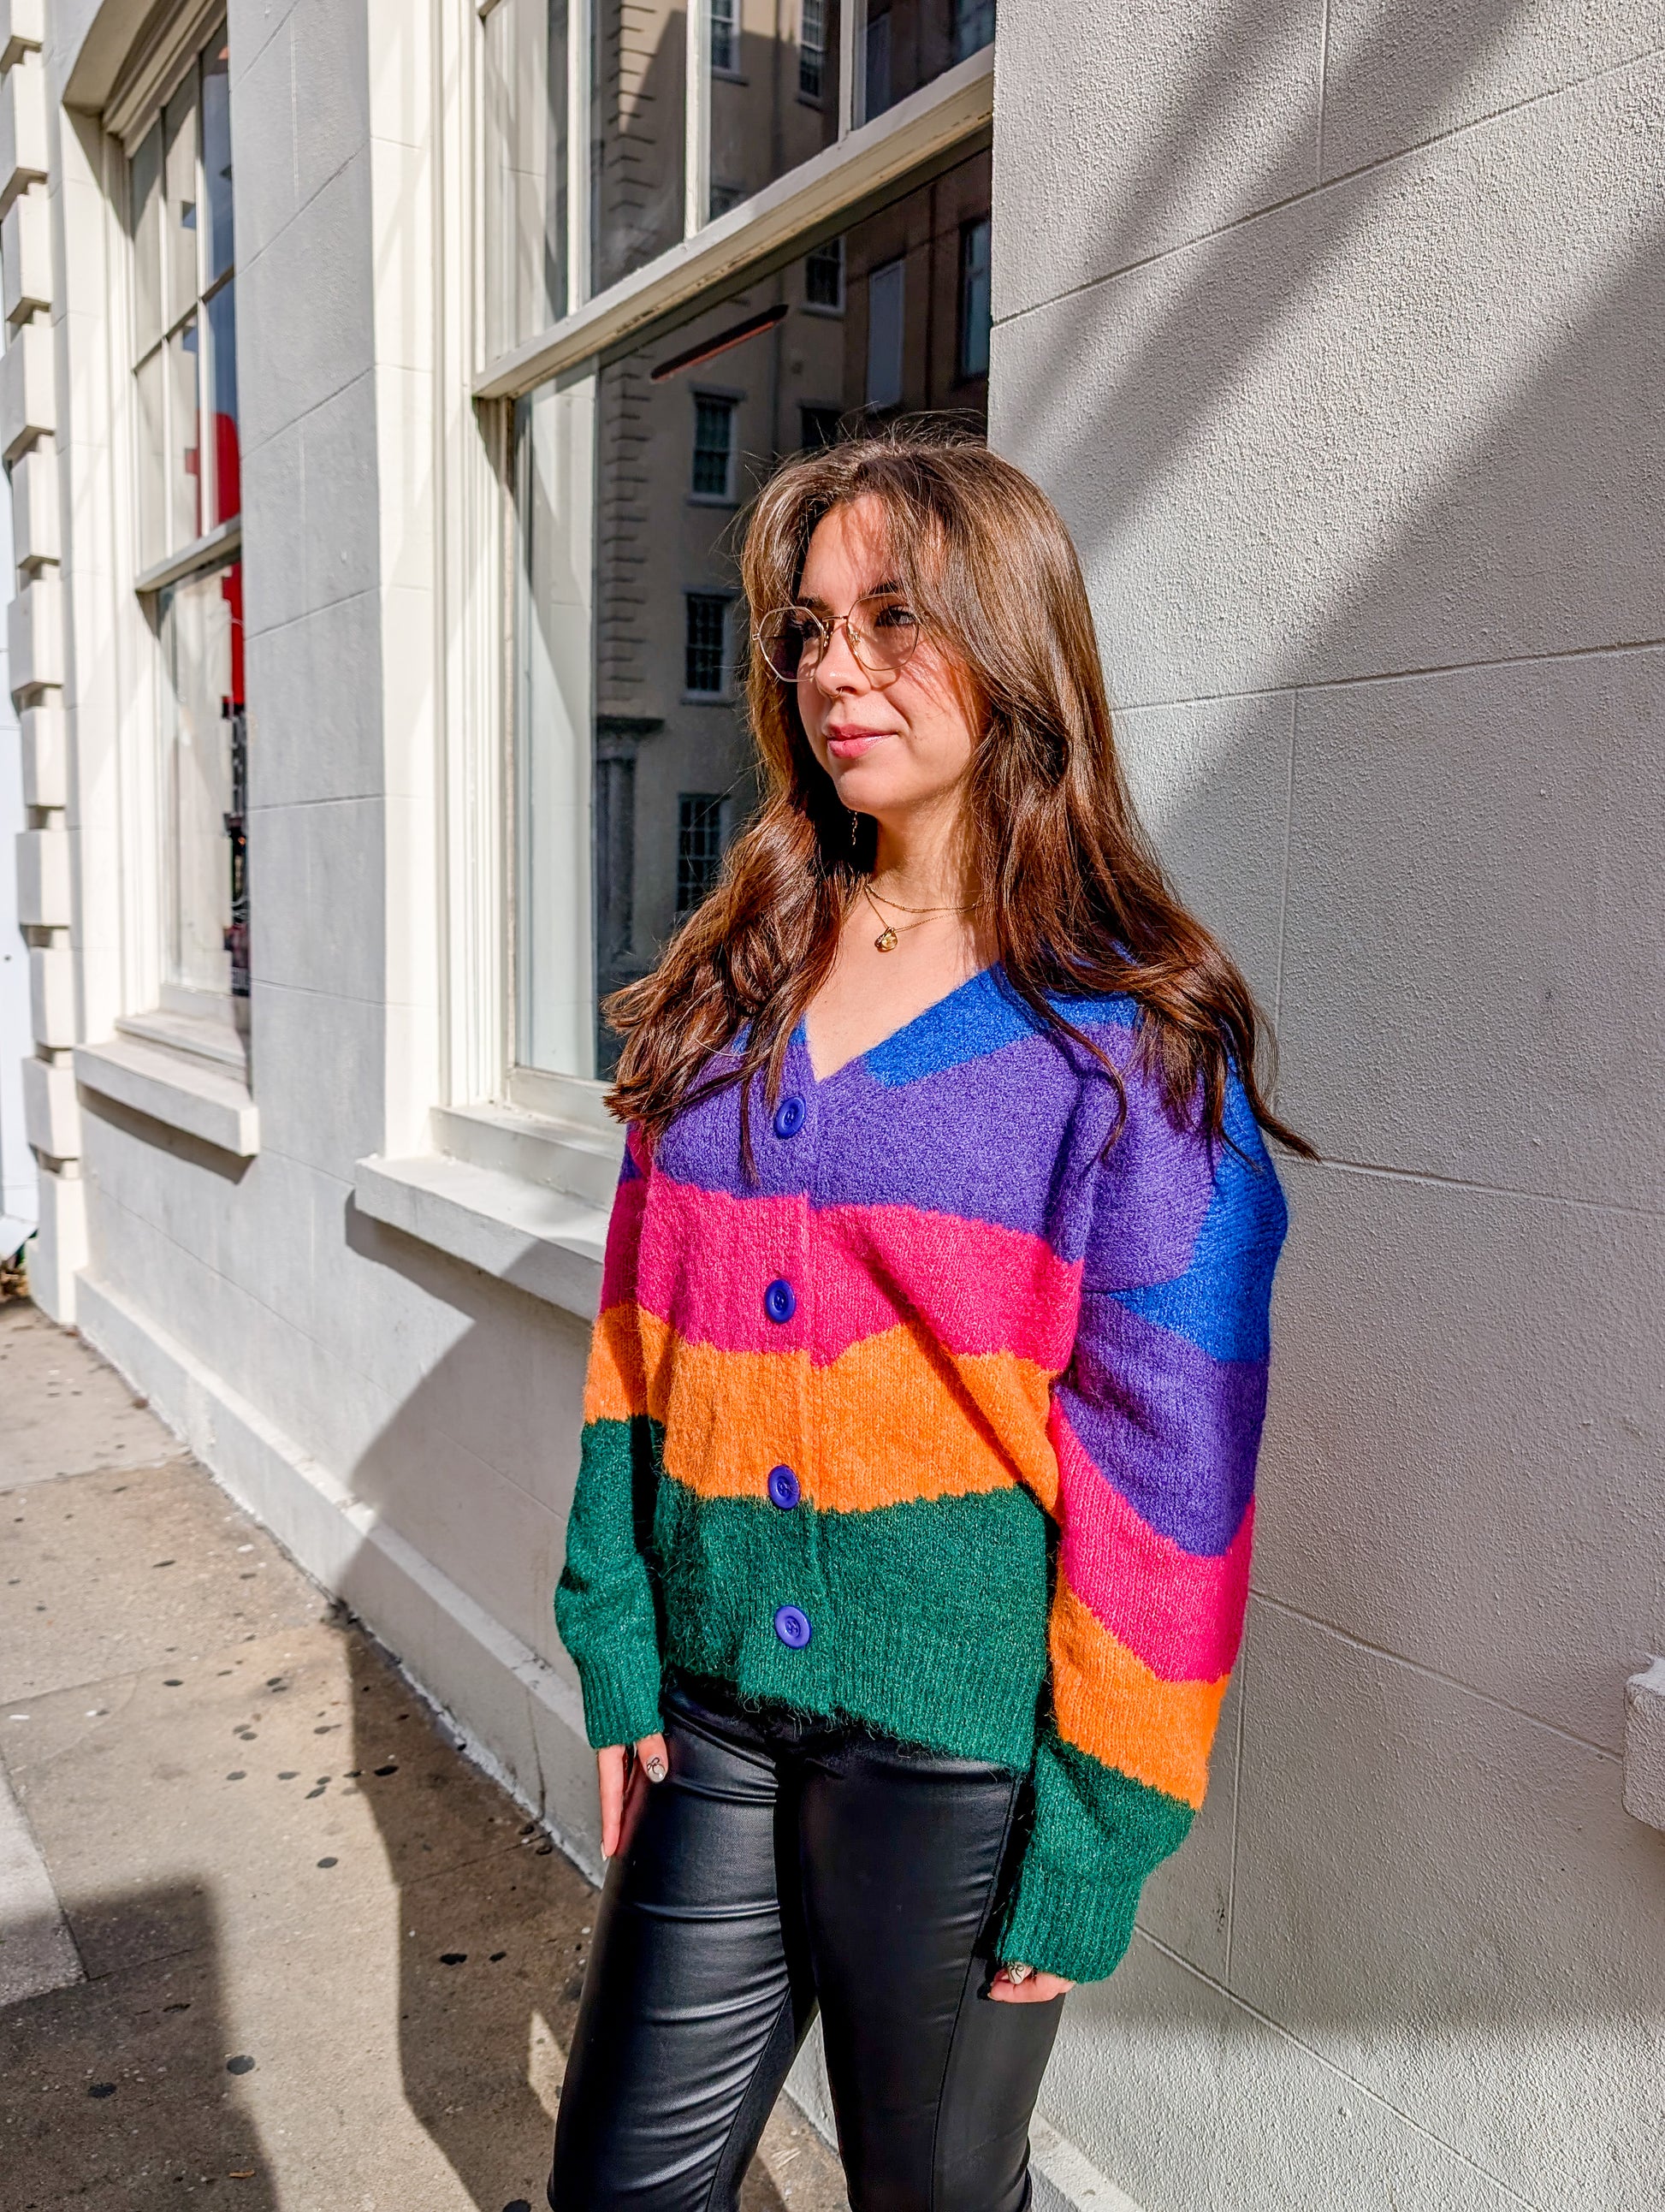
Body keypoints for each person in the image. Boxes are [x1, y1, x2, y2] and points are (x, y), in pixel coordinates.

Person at [547, 433, 1307, 2212]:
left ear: (1010, 643)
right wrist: (615, 1633)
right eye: (808, 628)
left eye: (894, 618)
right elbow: (633, 1346)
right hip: (711, 1712)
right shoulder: (733, 978)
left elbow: (1170, 1467)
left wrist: (1098, 1827)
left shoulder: (1125, 1043)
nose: (837, 669)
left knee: (932, 2197)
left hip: (958, 1750)